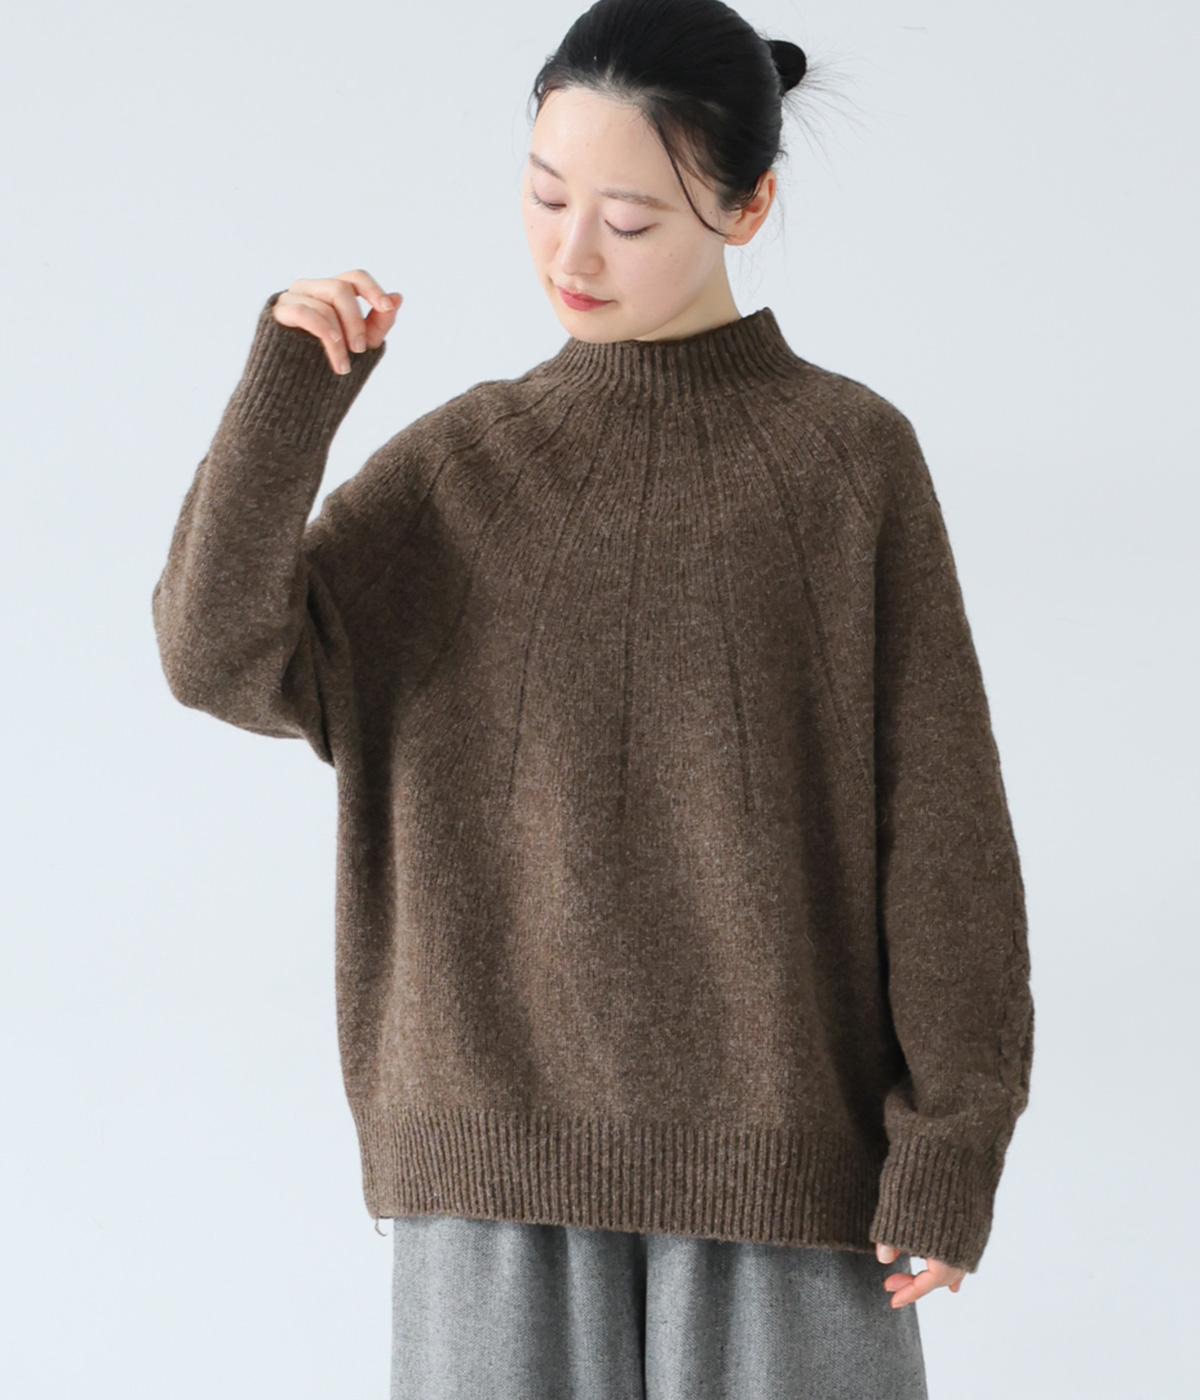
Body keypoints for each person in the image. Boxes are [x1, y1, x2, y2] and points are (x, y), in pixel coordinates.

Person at [151, 0, 1034, 1394]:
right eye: (546, 195)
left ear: (749, 208)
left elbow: (943, 830)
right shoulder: (459, 474)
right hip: (488, 1178)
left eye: (628, 219)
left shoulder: (848, 461)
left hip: (789, 1177)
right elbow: (216, 655)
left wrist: (952, 1141)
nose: (571, 253)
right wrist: (287, 401)